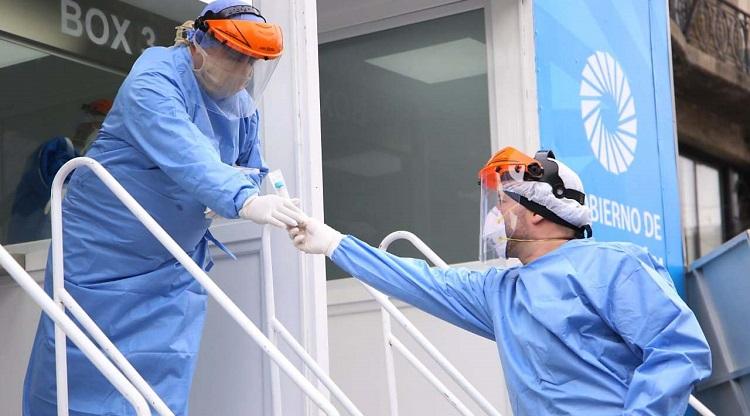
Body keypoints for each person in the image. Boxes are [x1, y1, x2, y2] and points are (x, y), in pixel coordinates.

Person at [22, 1, 304, 415]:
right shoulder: (154, 78)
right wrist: (243, 199)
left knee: (163, 376)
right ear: (199, 44)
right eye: (236, 57)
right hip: (103, 254)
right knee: (80, 364)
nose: (244, 72)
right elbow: (183, 149)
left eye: (252, 62)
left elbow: (247, 165)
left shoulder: (241, 106)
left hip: (173, 262)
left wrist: (259, 193)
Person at [289, 147, 712, 415]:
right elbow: (420, 281)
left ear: (538, 213)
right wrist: (334, 243)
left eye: (504, 204)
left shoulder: (614, 266)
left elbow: (679, 350)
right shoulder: (501, 291)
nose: (495, 216)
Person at [5, 99, 112, 244]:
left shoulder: (97, 163)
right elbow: (52, 185)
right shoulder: (59, 149)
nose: (84, 128)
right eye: (92, 123)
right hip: (37, 234)